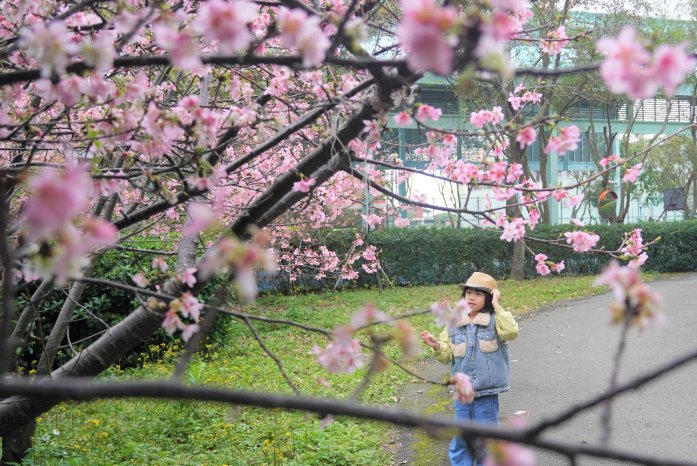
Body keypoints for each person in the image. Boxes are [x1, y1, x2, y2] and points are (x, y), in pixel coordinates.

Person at [421, 272, 519, 466]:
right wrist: (436, 346)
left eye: (479, 294)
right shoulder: (454, 323)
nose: (472, 297)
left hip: (486, 391)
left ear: (490, 298)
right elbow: (447, 355)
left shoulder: (495, 321)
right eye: (469, 293)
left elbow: (511, 332)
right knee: (461, 434)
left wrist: (498, 306)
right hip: (462, 392)